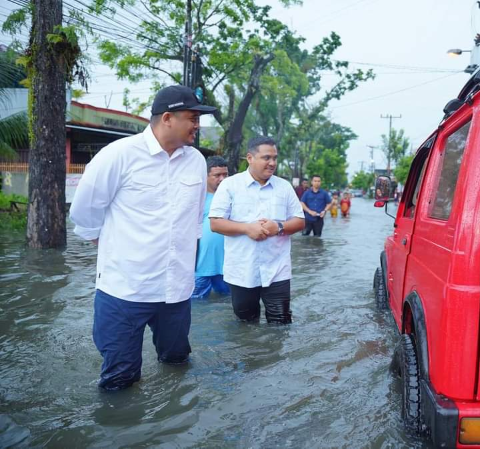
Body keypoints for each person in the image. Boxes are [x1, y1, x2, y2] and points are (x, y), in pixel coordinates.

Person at [69, 85, 215, 391]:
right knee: (119, 378)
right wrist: (116, 247)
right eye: (192, 117)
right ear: (167, 118)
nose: (198, 125)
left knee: (177, 362)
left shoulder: (196, 162)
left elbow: (193, 221)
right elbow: (84, 214)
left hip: (176, 291)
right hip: (125, 289)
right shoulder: (119, 155)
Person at [209, 136, 304, 324]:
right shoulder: (230, 185)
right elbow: (216, 223)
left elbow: (300, 221)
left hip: (278, 269)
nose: (272, 163)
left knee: (281, 324)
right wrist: (247, 229)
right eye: (266, 158)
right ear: (250, 158)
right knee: (246, 325)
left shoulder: (283, 187)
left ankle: (273, 354)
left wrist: (278, 226)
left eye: (275, 158)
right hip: (242, 269)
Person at [193, 155, 230, 298]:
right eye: (217, 175)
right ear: (206, 176)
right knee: (196, 305)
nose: (222, 179)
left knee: (228, 302)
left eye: (225, 175)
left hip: (226, 265)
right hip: (200, 265)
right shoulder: (197, 197)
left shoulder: (232, 197)